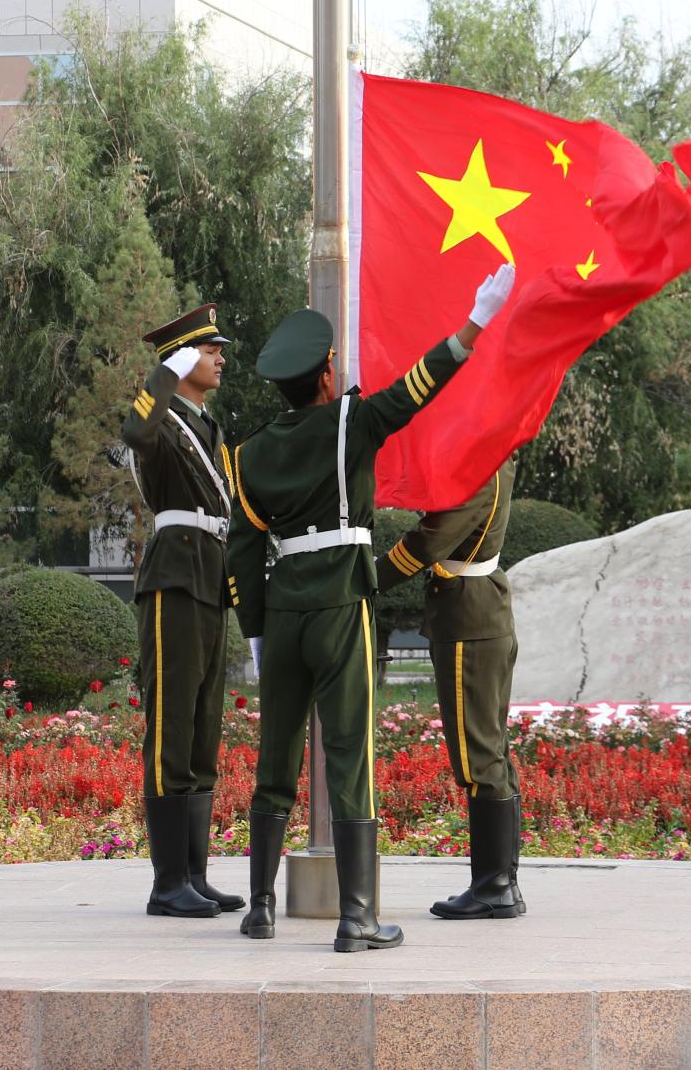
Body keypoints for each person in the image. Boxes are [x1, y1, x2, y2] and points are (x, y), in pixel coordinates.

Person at [228, 264, 516, 952]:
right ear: (327, 373)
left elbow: (242, 551)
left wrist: (257, 630)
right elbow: (418, 386)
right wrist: (475, 322)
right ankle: (356, 916)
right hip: (341, 605)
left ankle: (260, 907)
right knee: (349, 756)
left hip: (284, 613)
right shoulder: (350, 422)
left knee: (275, 756)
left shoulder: (250, 453)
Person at [120, 303, 241, 919]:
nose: (220, 361)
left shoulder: (208, 426)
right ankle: (168, 883)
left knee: (201, 730)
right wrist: (166, 371)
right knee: (171, 728)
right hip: (174, 577)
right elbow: (135, 434)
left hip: (210, 578)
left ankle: (194, 874)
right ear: (185, 357)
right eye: (210, 352)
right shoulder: (163, 419)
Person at [374, 458, 524, 920]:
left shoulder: (478, 467)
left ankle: (494, 886)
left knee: (479, 758)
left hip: (467, 621)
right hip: (479, 612)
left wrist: (368, 578)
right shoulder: (495, 460)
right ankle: (502, 883)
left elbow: (431, 538)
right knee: (492, 752)